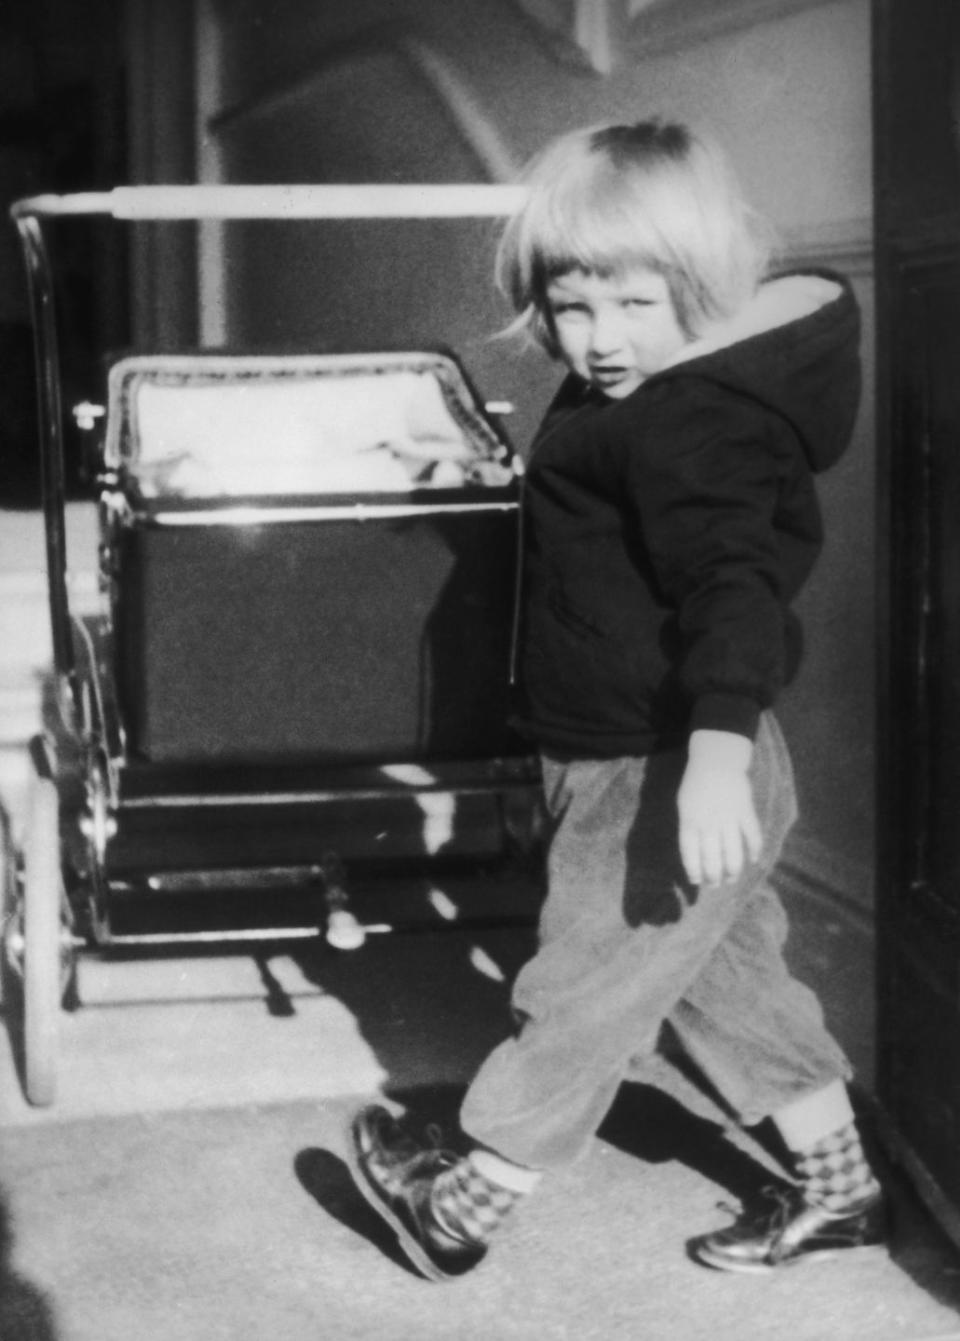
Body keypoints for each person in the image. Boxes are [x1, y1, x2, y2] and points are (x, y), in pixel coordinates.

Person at [346, 118, 885, 1281]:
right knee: (731, 989)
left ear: (706, 282)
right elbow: (598, 526)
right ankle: (843, 1191)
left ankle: (468, 1202)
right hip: (634, 749)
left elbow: (734, 588)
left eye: (636, 307)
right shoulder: (636, 389)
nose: (597, 342)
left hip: (666, 764)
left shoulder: (697, 418)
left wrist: (717, 754)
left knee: (585, 989)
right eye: (573, 308)